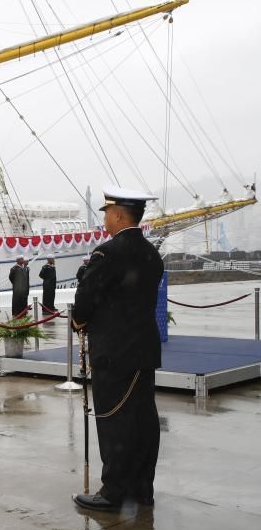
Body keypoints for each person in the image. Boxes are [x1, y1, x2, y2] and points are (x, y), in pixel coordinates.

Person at [71, 187, 163, 513]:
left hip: (114, 353)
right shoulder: (152, 254)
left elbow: (85, 302)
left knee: (114, 421)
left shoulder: (108, 253)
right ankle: (142, 488)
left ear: (120, 214)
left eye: (107, 212)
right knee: (142, 420)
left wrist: (79, 321)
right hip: (144, 351)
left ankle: (113, 492)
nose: (105, 218)